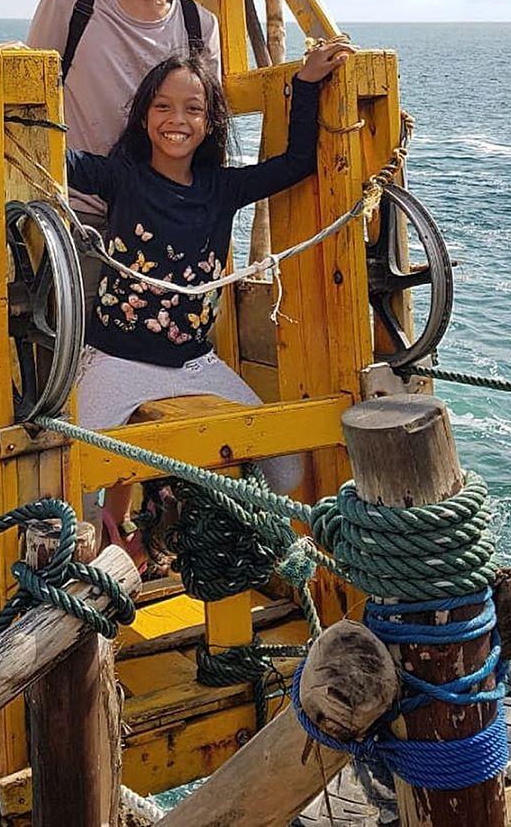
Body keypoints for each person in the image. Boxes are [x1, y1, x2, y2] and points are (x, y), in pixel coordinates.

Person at [65, 38, 353, 562]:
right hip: (116, 360)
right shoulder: (121, 176)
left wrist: (306, 85)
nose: (177, 119)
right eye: (163, 106)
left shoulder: (220, 188)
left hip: (195, 365)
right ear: (144, 116)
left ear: (210, 122)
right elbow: (55, 158)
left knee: (287, 469)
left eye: (193, 108)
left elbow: (295, 163)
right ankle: (97, 575)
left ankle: (241, 550)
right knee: (74, 492)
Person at [27, 0, 222, 227]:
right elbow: (21, 113)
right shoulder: (69, 6)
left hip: (164, 220)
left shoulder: (201, 26)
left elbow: (206, 131)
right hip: (77, 222)